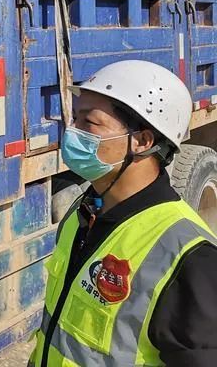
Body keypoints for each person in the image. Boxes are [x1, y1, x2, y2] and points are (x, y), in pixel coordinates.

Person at [30, 60, 217, 367]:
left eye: (89, 123)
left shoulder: (189, 259)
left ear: (143, 141)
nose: (71, 132)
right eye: (74, 118)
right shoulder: (84, 211)